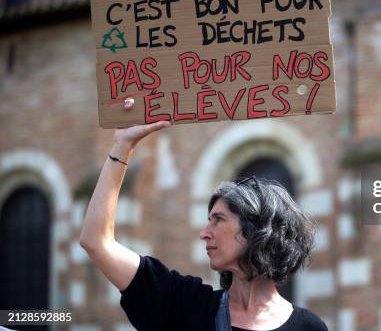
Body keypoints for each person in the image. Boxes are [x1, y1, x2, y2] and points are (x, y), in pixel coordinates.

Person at [79, 120, 328, 330]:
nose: (204, 234)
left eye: (218, 220)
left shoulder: (309, 327)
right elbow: (96, 241)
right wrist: (122, 146)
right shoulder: (186, 305)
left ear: (258, 230)